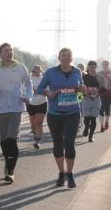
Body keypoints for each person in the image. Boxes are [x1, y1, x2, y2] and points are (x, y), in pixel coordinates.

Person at [0, 43, 32, 182]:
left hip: (16, 107)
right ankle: (7, 161)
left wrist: (28, 97)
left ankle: (10, 171)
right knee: (4, 139)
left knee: (12, 139)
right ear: (0, 54)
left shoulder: (20, 68)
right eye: (6, 50)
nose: (9, 52)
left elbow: (28, 84)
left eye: (11, 50)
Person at [36, 47, 85, 188]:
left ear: (71, 58)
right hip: (55, 114)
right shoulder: (50, 72)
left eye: (68, 55)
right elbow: (40, 88)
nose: (66, 58)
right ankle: (61, 173)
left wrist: (84, 89)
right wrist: (48, 93)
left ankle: (70, 174)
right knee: (58, 143)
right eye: (63, 55)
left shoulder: (77, 71)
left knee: (69, 144)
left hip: (73, 113)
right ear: (59, 57)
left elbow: (81, 86)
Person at [80, 61, 104, 142]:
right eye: (90, 67)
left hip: (96, 99)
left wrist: (97, 93)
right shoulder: (84, 77)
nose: (92, 68)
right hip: (86, 99)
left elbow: (103, 88)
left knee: (93, 119)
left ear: (96, 67)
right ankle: (86, 127)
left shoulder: (100, 77)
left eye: (93, 67)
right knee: (86, 118)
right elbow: (80, 87)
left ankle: (91, 136)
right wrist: (85, 93)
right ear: (88, 67)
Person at [27, 64, 47, 149]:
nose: (37, 71)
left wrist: (39, 91)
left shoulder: (44, 79)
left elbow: (48, 90)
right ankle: (34, 133)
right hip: (31, 103)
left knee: (39, 122)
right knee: (33, 123)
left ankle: (37, 141)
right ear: (33, 71)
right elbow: (24, 89)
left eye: (39, 69)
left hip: (42, 103)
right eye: (35, 69)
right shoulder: (29, 79)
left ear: (41, 71)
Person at [98, 60, 111, 132]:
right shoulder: (99, 73)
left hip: (109, 93)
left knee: (107, 108)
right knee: (102, 107)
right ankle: (101, 126)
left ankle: (106, 121)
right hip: (101, 93)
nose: (105, 65)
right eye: (104, 64)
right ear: (102, 65)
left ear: (108, 65)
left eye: (106, 64)